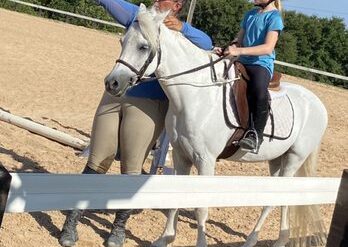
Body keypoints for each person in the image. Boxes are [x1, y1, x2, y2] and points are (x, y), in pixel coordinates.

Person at [58, 0, 212, 247]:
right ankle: (71, 223)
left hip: (150, 103)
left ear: (178, 5)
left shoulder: (177, 31)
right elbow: (112, 3)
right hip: (114, 96)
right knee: (97, 160)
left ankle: (118, 228)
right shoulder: (138, 16)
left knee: (132, 167)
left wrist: (182, 28)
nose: (158, 0)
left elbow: (207, 44)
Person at [216, 0, 283, 153]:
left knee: (258, 91)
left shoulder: (274, 18)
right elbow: (239, 39)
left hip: (260, 63)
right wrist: (228, 48)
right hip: (241, 60)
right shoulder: (250, 14)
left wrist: (239, 52)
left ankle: (255, 134)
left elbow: (268, 48)